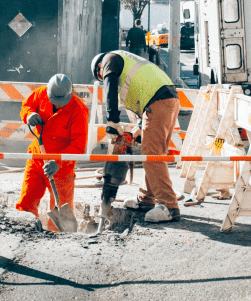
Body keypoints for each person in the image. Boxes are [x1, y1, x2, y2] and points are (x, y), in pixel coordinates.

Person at [91, 50, 180, 223]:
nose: (103, 79)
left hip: (158, 100)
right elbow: (142, 91)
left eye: (101, 76)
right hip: (166, 98)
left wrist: (113, 120)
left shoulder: (109, 59)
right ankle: (146, 199)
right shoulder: (129, 63)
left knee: (152, 155)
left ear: (100, 68)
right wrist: (139, 127)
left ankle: (169, 206)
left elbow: (109, 85)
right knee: (152, 153)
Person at [16, 74, 89, 231]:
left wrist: (58, 162)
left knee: (61, 206)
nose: (57, 104)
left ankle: (58, 239)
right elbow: (26, 106)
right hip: (37, 158)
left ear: (69, 95)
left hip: (61, 168)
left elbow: (78, 146)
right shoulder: (41, 93)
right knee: (26, 201)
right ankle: (24, 231)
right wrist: (29, 115)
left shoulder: (78, 110)